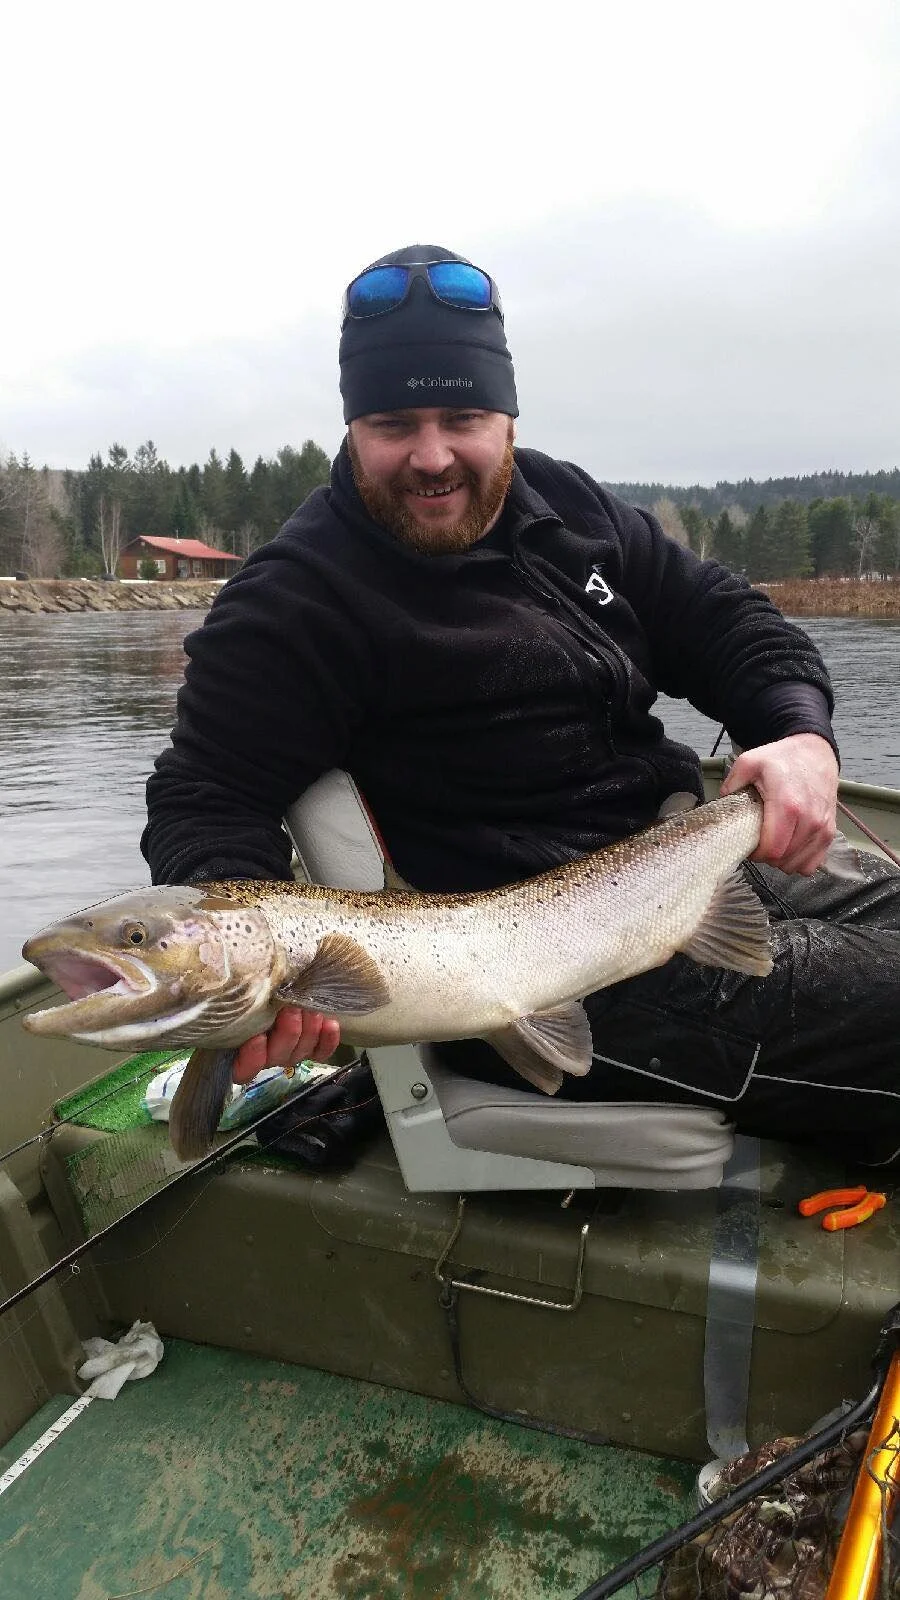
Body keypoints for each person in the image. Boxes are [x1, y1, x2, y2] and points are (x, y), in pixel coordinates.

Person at [142, 244, 900, 1166]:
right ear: (351, 427)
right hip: (561, 973)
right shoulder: (293, 602)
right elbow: (207, 793)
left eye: (462, 416)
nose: (431, 457)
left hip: (680, 862)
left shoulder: (564, 503)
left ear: (506, 414)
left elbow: (724, 619)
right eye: (392, 423)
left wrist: (798, 732)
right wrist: (251, 978)